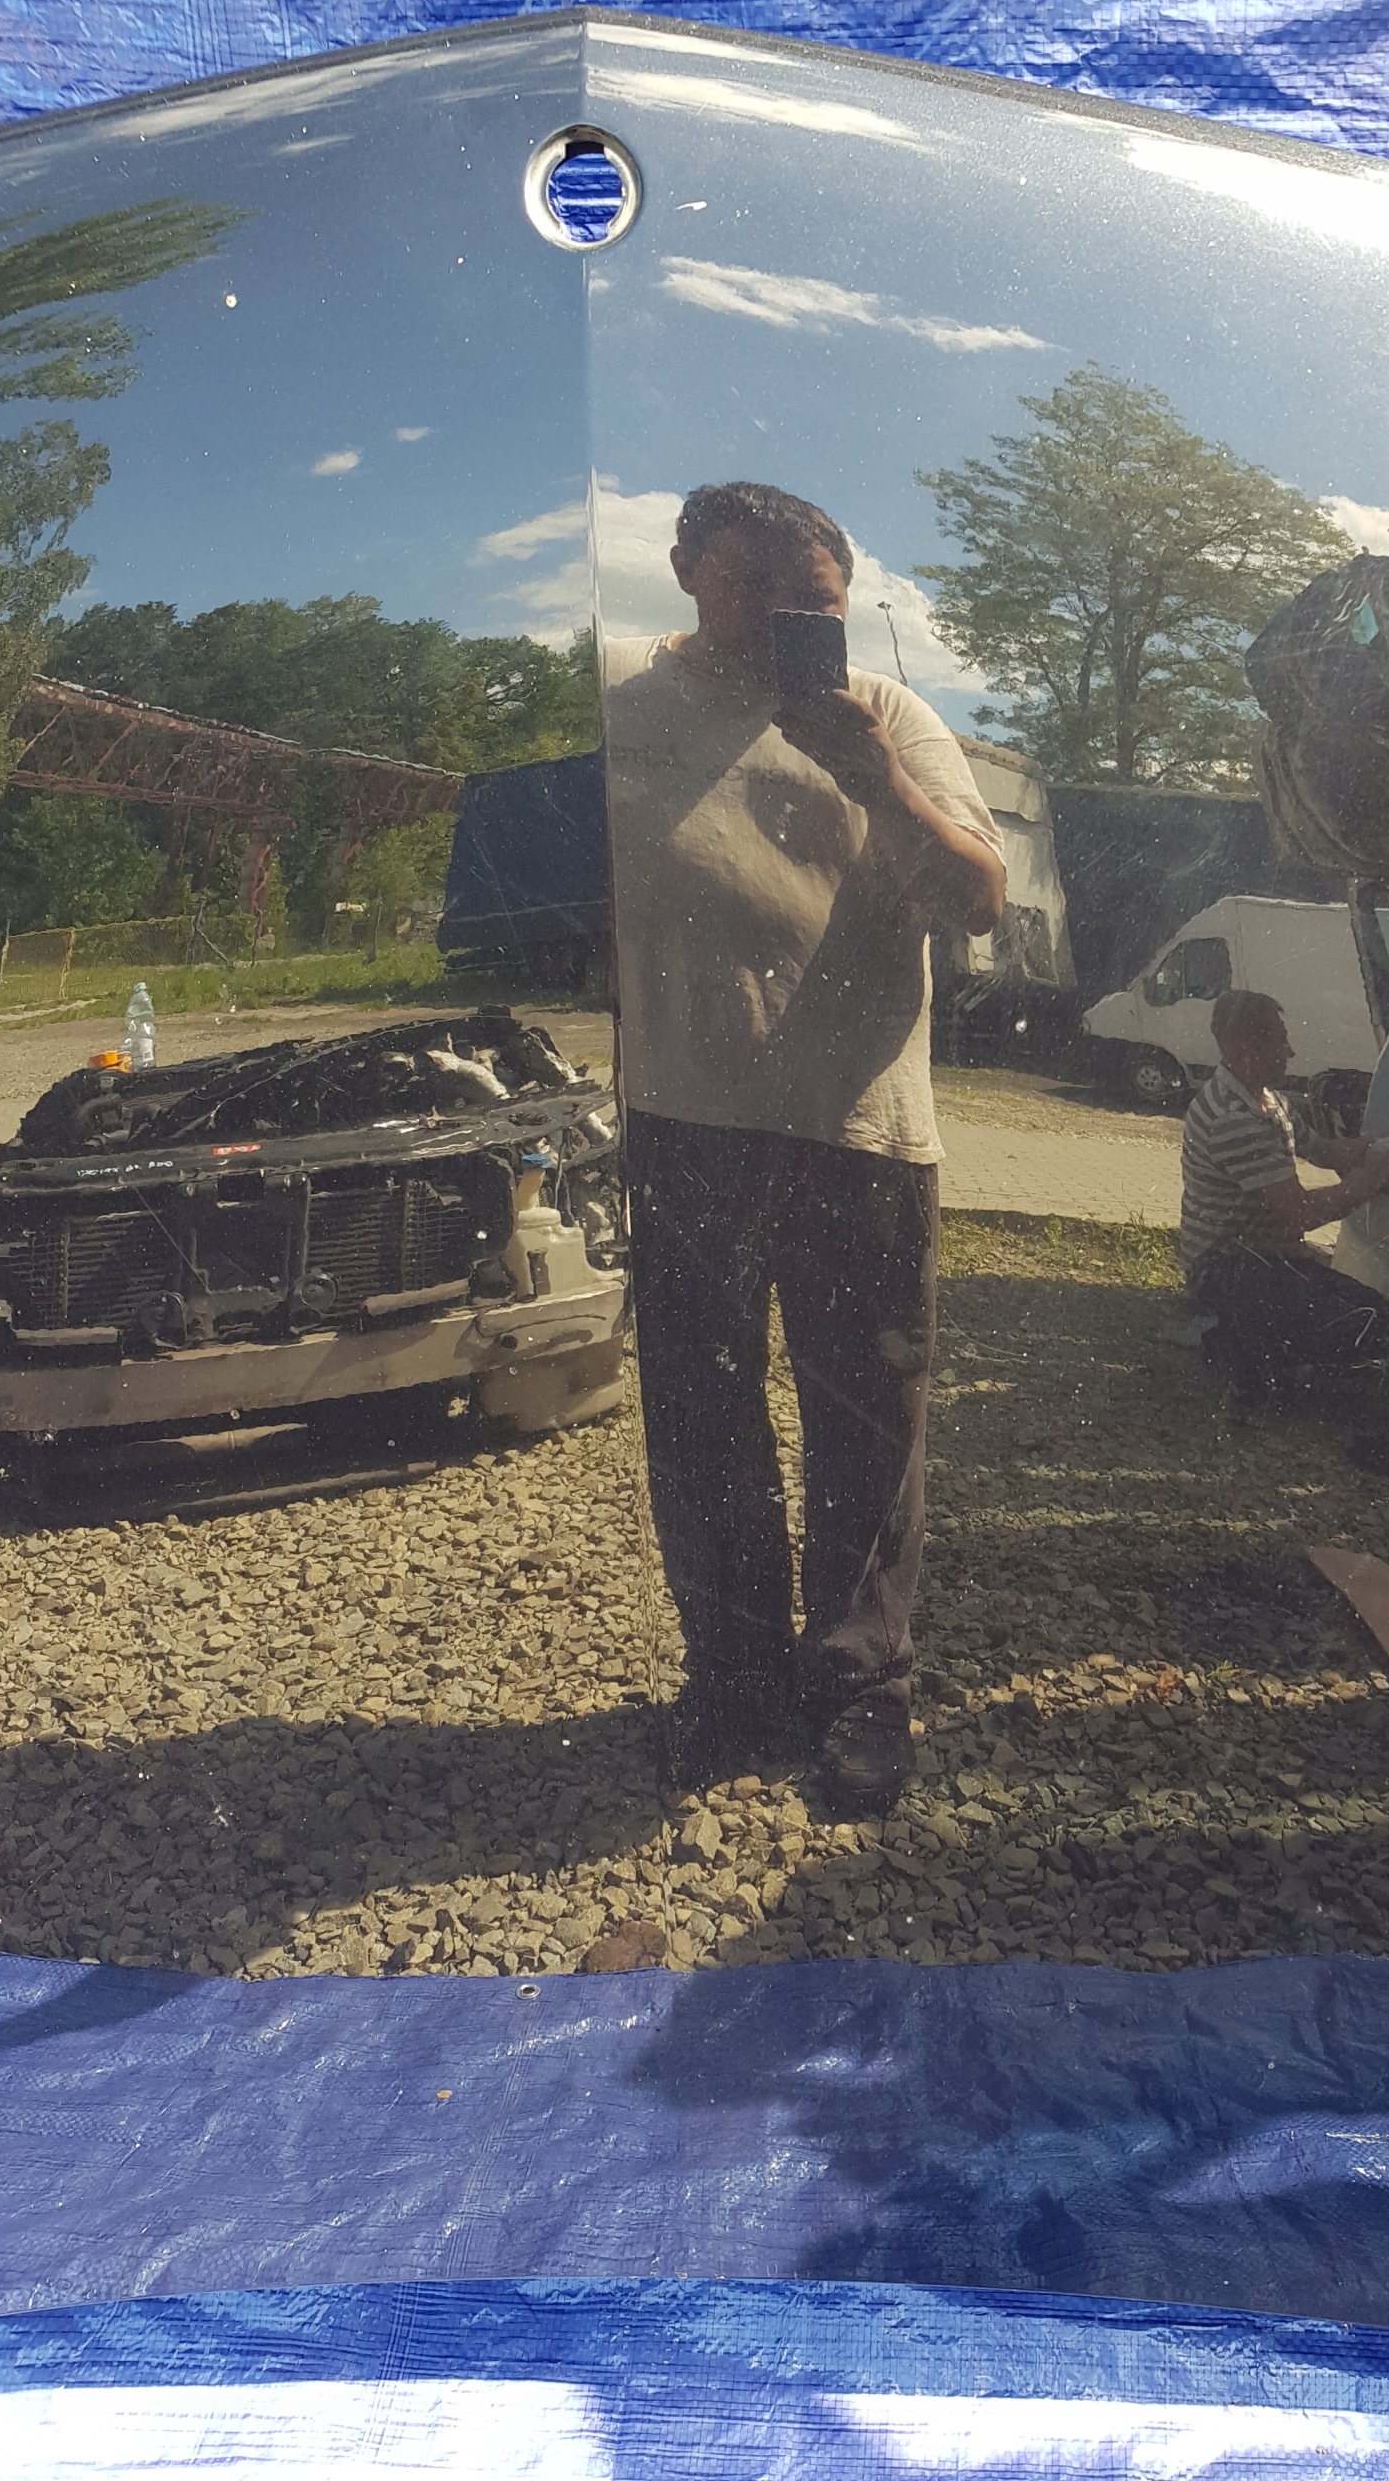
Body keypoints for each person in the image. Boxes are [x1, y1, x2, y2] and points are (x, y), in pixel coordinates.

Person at [604, 481, 1007, 1812]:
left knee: (866, 1426)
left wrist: (875, 778)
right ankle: (729, 1686)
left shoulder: (888, 714)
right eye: (755, 591)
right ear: (684, 572)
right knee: (701, 1421)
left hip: (862, 1128)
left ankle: (859, 1690)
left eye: (814, 603)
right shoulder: (617, 705)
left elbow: (979, 899)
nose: (787, 618)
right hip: (684, 1122)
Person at [1178, 988, 1389, 1471]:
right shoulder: (1235, 1120)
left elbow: (1331, 1153)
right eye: (1280, 1042)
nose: (1291, 1051)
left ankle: (1249, 1348)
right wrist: (1371, 1177)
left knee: (1362, 1316)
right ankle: (1253, 1352)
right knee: (1382, 1328)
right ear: (1249, 1049)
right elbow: (1300, 1214)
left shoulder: (1267, 1102)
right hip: (1229, 1271)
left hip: (1255, 1258)